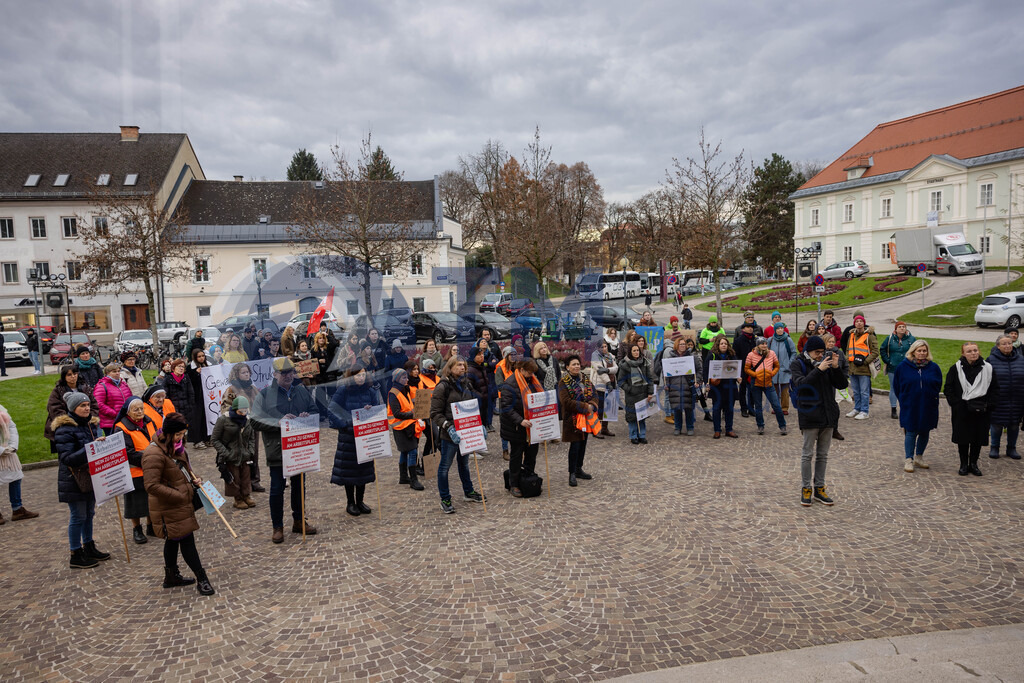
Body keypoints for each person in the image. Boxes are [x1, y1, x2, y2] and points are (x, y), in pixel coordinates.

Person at [141, 412, 215, 595]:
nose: (181, 438)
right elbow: (151, 485)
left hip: (179, 502)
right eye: (179, 435)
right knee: (186, 540)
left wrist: (194, 478)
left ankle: (171, 576)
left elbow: (181, 470)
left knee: (173, 540)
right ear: (168, 433)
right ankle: (202, 578)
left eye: (183, 434)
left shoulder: (175, 447)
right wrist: (179, 495)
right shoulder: (153, 454)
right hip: (169, 506)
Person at [252, 358, 318, 543]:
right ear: (274, 374)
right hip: (278, 450)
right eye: (284, 373)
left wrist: (308, 416)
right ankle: (277, 526)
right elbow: (255, 420)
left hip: (299, 449)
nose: (288, 376)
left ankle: (299, 521)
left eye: (290, 372)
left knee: (299, 487)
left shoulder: (300, 390)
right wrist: (278, 423)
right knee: (276, 489)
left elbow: (315, 410)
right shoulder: (265, 394)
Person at [53, 391, 111, 569]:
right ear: (73, 408)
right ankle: (75, 553)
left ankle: (89, 545)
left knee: (89, 514)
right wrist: (91, 448)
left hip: (90, 476)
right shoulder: (64, 429)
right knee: (78, 516)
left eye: (87, 405)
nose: (87, 408)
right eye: (82, 406)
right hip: (74, 479)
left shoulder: (90, 425)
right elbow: (67, 458)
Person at [790, 335, 848, 506]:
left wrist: (836, 368)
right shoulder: (798, 363)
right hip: (809, 414)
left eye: (823, 352)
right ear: (808, 351)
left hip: (828, 414)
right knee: (807, 454)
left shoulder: (827, 363)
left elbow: (842, 385)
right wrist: (819, 369)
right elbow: (801, 385)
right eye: (817, 352)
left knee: (823, 455)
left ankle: (820, 488)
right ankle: (806, 488)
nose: (820, 355)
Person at [429, 356, 486, 513]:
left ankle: (469, 492)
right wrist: (448, 427)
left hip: (466, 432)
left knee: (464, 464)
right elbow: (434, 413)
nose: (462, 367)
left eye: (464, 365)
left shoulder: (467, 383)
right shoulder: (443, 387)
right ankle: (445, 498)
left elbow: (471, 407)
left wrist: (478, 424)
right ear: (450, 367)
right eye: (459, 365)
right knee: (445, 467)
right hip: (450, 435)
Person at [944, 342, 999, 476]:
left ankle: (973, 463)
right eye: (969, 351)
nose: (973, 353)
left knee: (977, 438)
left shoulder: (988, 368)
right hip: (962, 409)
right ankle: (963, 464)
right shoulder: (955, 368)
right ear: (963, 353)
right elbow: (948, 388)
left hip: (982, 409)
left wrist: (989, 405)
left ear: (979, 351)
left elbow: (994, 388)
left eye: (975, 350)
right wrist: (956, 404)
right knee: (963, 438)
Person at [892, 340, 942, 473]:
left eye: (924, 351)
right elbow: (897, 386)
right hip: (910, 404)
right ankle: (909, 459)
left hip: (928, 404)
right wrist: (903, 399)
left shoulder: (933, 367)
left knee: (925, 431)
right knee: (911, 431)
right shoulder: (903, 367)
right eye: (919, 351)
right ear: (913, 352)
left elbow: (938, 384)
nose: (922, 353)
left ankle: (919, 456)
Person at [113, 398, 157, 544]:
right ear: (128, 412)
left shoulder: (150, 421)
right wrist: (150, 457)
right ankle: (137, 529)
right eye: (136, 409)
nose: (140, 412)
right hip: (134, 470)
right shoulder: (121, 427)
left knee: (152, 497)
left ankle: (151, 526)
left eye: (141, 409)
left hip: (151, 467)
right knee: (135, 502)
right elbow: (127, 452)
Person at [499, 357, 543, 496]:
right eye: (529, 372)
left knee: (531, 455)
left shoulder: (533, 381)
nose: (532, 375)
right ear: (521, 369)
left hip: (533, 427)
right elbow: (506, 408)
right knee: (516, 456)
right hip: (516, 428)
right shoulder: (509, 384)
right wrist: (520, 421)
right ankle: (514, 484)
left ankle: (528, 478)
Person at [559, 354, 599, 487]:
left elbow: (594, 394)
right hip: (573, 419)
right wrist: (585, 406)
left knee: (583, 443)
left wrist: (592, 404)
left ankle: (578, 469)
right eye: (573, 364)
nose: (576, 366)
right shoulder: (563, 382)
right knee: (575, 446)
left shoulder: (585, 379)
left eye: (578, 364)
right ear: (567, 367)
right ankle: (571, 473)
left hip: (586, 418)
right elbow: (566, 402)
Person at [212, 396, 256, 510]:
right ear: (235, 409)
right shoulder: (223, 420)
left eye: (245, 411)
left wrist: (250, 451)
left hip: (244, 455)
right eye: (240, 411)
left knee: (246, 477)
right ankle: (238, 499)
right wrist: (226, 453)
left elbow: (251, 437)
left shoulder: (248, 420)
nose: (243, 413)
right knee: (234, 478)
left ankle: (246, 496)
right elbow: (215, 439)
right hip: (230, 455)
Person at [227, 362, 264, 492]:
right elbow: (226, 409)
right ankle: (243, 483)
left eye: (247, 372)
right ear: (237, 374)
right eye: (243, 372)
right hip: (240, 429)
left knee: (253, 454)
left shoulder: (253, 388)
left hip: (253, 426)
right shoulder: (231, 390)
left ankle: (255, 480)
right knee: (242, 456)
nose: (246, 374)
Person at [986, 334, 1024, 460]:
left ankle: (1011, 448)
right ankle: (994, 447)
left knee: (1014, 425)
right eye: (1004, 344)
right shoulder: (991, 360)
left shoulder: (1021, 359)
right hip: (999, 399)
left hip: (1017, 398)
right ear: (998, 346)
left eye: (1009, 343)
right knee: (996, 425)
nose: (1007, 346)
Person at [387, 367, 425, 491]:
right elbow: (396, 413)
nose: (407, 379)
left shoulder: (404, 389)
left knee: (405, 451)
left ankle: (403, 476)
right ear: (398, 379)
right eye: (404, 377)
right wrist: (413, 414)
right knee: (412, 451)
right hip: (400, 427)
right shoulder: (393, 393)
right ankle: (413, 480)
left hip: (407, 425)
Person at [0, 404, 38, 525]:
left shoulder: (1, 409)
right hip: (3, 450)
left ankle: (18, 509)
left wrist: (12, 446)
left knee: (16, 477)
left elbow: (11, 426)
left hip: (8, 451)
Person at [658, 335, 703, 436]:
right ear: (676, 345)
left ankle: (690, 427)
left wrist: (698, 381)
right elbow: (666, 372)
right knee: (677, 408)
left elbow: (699, 370)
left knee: (689, 408)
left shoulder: (692, 357)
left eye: (684, 344)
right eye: (680, 344)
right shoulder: (671, 357)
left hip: (688, 386)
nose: (682, 346)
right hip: (675, 386)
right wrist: (667, 384)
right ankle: (677, 427)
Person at [45, 365, 96, 453]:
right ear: (64, 377)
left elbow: (94, 405)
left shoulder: (86, 388)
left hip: (86, 424)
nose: (73, 377)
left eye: (75, 374)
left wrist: (90, 417)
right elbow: (54, 408)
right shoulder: (58, 391)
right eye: (69, 375)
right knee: (67, 453)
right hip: (67, 425)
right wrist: (70, 420)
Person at [745, 336, 787, 436]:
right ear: (757, 345)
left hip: (768, 382)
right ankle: (760, 425)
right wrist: (755, 375)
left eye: (765, 343)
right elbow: (746, 369)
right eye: (762, 344)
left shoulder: (771, 353)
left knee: (776, 405)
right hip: (756, 383)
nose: (764, 345)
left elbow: (777, 366)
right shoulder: (751, 355)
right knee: (758, 406)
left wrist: (772, 373)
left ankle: (782, 425)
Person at [704, 334, 739, 439]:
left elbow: (737, 368)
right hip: (717, 387)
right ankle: (717, 430)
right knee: (716, 409)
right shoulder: (712, 355)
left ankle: (729, 429)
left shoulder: (732, 355)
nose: (724, 345)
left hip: (730, 386)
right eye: (721, 343)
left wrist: (738, 377)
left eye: (725, 343)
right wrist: (706, 382)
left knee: (729, 409)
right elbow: (706, 369)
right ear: (718, 345)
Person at [845, 314, 878, 420]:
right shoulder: (851, 335)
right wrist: (847, 359)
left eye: (861, 321)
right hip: (852, 367)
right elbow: (847, 349)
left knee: (864, 391)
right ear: (854, 323)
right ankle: (857, 408)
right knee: (855, 391)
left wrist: (866, 361)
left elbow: (875, 351)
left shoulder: (870, 335)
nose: (858, 323)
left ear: (864, 323)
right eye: (857, 321)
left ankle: (864, 411)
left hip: (863, 368)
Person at [880, 321, 916, 420]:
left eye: (903, 327)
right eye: (899, 327)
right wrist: (888, 360)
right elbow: (882, 349)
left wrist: (913, 362)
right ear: (896, 329)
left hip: (907, 368)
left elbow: (916, 351)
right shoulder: (890, 338)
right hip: (893, 368)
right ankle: (893, 408)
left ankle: (906, 408)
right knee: (894, 388)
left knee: (907, 388)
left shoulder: (911, 339)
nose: (902, 328)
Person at [620, 343, 654, 445]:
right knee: (632, 417)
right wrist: (629, 389)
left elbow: (650, 378)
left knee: (642, 416)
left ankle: (642, 435)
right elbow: (621, 381)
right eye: (634, 351)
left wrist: (650, 392)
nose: (636, 352)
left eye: (637, 350)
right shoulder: (625, 365)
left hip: (643, 394)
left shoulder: (644, 362)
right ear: (630, 352)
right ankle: (633, 435)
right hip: (631, 395)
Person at [94, 362, 133, 435]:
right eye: (114, 371)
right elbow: (99, 403)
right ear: (107, 373)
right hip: (110, 422)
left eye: (118, 371)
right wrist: (114, 413)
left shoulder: (123, 384)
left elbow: (130, 398)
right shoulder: (102, 386)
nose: (117, 373)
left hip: (125, 420)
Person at [821, 334, 848, 442]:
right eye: (829, 341)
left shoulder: (839, 353)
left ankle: (834, 429)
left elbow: (845, 366)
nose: (831, 343)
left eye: (833, 341)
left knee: (834, 408)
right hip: (823, 384)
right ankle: (822, 429)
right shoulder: (820, 353)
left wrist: (843, 377)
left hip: (835, 385)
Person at [590, 340, 618, 437]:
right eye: (601, 347)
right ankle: (596, 430)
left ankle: (604, 428)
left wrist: (607, 369)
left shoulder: (610, 356)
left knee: (608, 409)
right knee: (600, 409)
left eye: (605, 346)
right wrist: (608, 382)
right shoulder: (595, 357)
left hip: (612, 384)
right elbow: (600, 372)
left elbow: (616, 368)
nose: (604, 348)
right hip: (600, 386)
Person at [768, 323, 797, 416]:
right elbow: (767, 352)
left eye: (781, 328)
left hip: (785, 368)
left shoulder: (788, 340)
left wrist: (789, 364)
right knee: (774, 389)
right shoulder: (771, 340)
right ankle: (776, 407)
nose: (780, 330)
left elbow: (793, 352)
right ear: (775, 330)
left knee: (785, 390)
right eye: (778, 328)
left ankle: (784, 407)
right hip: (773, 369)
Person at [494, 347, 516, 461]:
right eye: (511, 354)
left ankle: (516, 449)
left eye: (514, 354)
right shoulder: (500, 368)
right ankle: (505, 449)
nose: (513, 356)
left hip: (517, 399)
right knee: (505, 425)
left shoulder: (518, 366)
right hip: (505, 399)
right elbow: (499, 385)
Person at [732, 321, 758, 418]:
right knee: (742, 389)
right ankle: (744, 409)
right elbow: (735, 355)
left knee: (752, 389)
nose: (750, 328)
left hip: (753, 368)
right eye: (747, 327)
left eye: (751, 327)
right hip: (742, 368)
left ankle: (751, 408)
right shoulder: (738, 341)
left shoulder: (755, 340)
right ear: (743, 329)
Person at [186, 350, 211, 449]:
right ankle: (197, 440)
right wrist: (196, 374)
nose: (201, 358)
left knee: (206, 418)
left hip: (207, 397)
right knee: (197, 419)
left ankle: (206, 438)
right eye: (199, 356)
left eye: (203, 356)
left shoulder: (207, 365)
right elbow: (190, 382)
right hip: (196, 398)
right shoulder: (190, 368)